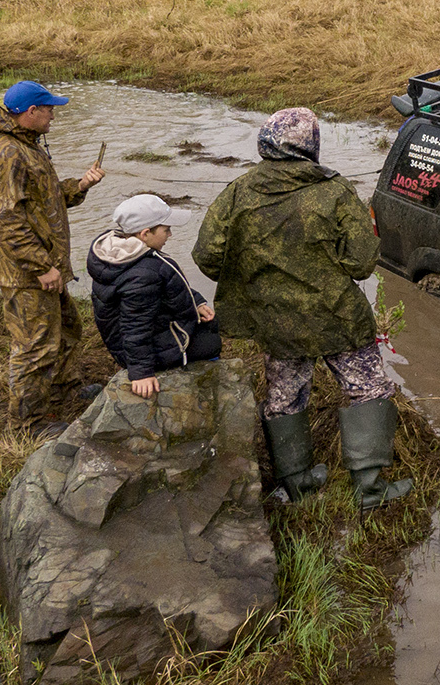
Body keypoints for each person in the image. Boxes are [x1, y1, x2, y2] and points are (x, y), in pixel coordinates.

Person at [193, 108, 411, 510]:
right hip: (336, 315)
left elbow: (207, 256)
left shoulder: (238, 192)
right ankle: (370, 487)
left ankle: (298, 485)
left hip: (275, 320)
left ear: (265, 143)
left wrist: (258, 275)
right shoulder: (335, 191)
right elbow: (363, 261)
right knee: (367, 390)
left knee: (285, 398)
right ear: (311, 146)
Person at [0, 81, 105, 436]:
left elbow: (43, 203)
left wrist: (80, 186)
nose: (53, 116)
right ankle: (28, 423)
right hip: (25, 272)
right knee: (35, 347)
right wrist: (41, 266)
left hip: (44, 265)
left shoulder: (27, 146)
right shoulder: (7, 154)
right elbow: (6, 220)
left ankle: (63, 392)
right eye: (49, 110)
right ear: (30, 112)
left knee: (66, 331)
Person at [87, 194, 222, 397]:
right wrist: (141, 372)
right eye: (166, 229)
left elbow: (169, 288)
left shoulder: (117, 253)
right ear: (145, 233)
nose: (170, 235)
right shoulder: (144, 273)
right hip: (141, 351)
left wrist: (196, 302)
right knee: (211, 342)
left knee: (207, 322)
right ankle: (205, 387)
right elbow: (135, 326)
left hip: (126, 342)